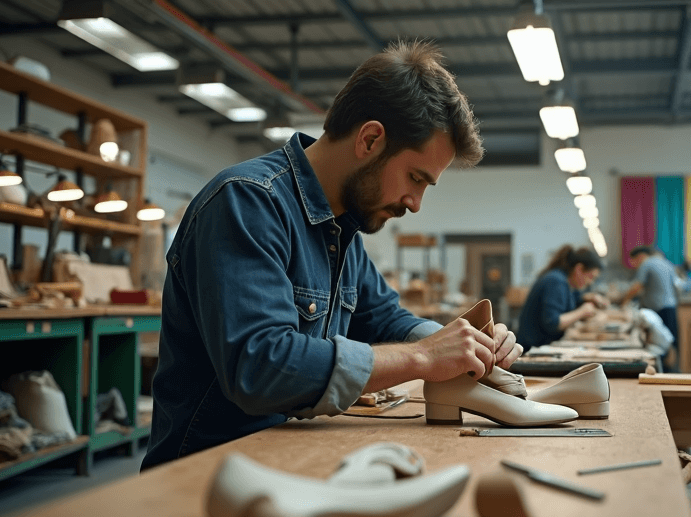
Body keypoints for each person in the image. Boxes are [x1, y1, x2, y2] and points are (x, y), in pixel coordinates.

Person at [142, 41, 523, 470]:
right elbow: (261, 365)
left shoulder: (343, 232)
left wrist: (464, 344)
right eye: (416, 178)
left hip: (283, 457)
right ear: (371, 139)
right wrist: (423, 357)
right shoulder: (247, 203)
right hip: (202, 472)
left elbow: (385, 319)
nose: (415, 203)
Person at [516, 245, 607, 350]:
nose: (590, 283)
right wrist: (582, 311)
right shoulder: (556, 281)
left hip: (541, 347)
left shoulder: (563, 280)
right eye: (591, 277)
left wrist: (587, 299)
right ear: (579, 269)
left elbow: (572, 301)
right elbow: (552, 323)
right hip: (531, 350)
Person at [618, 245, 679, 369]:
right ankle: (671, 373)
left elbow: (636, 287)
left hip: (658, 310)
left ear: (640, 257)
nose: (633, 265)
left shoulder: (646, 264)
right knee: (670, 343)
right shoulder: (666, 263)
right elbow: (675, 286)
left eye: (633, 261)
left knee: (658, 346)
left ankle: (659, 373)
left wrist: (623, 301)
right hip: (671, 308)